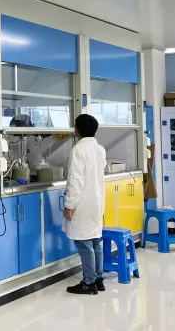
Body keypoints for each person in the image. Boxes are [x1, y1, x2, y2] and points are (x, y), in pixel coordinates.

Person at [64, 113, 107, 295]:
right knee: (95, 241)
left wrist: (69, 204)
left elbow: (76, 181)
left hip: (82, 203)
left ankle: (88, 282)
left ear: (78, 129)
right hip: (97, 202)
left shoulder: (78, 150)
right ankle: (98, 279)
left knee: (84, 243)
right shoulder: (100, 149)